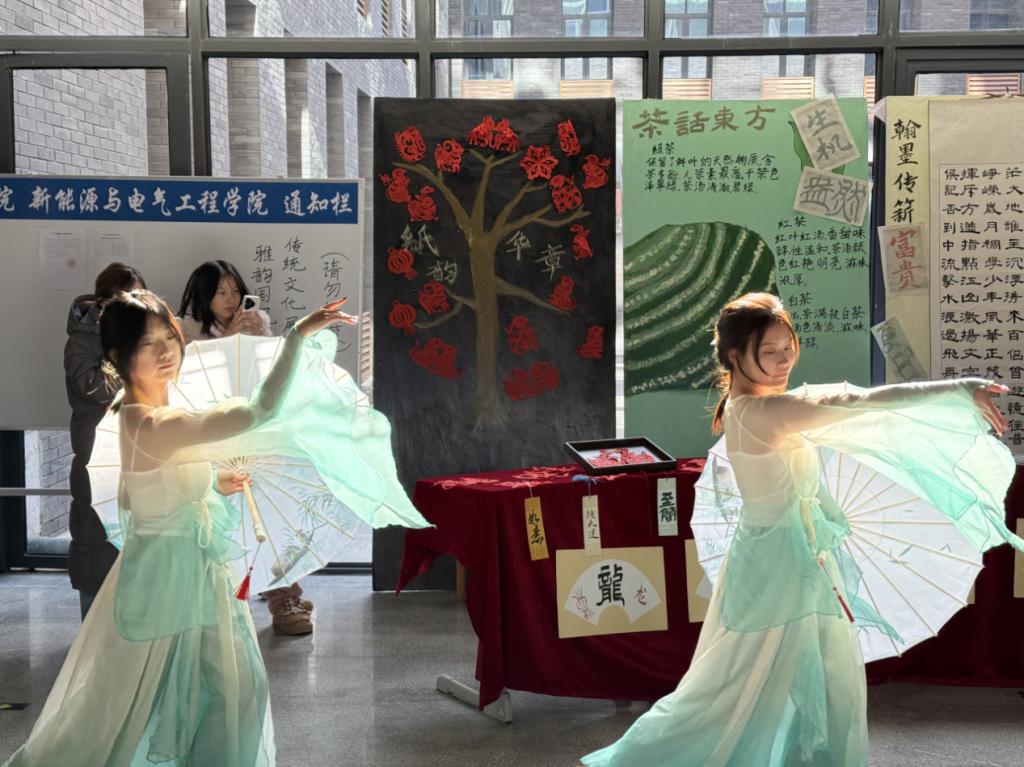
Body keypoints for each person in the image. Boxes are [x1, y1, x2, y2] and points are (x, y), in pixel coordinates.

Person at [581, 292, 1021, 767]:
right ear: (733, 356)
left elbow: (823, 439)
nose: (783, 360)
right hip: (780, 560)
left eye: (787, 348)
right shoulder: (761, 412)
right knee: (749, 679)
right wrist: (956, 389)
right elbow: (857, 402)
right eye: (769, 351)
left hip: (796, 551)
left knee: (801, 674)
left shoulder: (759, 406)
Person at [4, 290, 428, 767]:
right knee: (183, 697)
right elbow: (258, 413)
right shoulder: (152, 423)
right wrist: (295, 338)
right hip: (170, 580)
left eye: (169, 336)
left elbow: (149, 488)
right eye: (147, 344)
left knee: (199, 694)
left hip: (188, 570)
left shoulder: (139, 416)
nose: (165, 351)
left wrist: (210, 480)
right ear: (119, 358)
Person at [178, 259, 311, 634]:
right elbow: (193, 384)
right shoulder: (188, 334)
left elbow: (271, 380)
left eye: (235, 290)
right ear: (204, 296)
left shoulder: (258, 324)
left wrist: (257, 339)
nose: (231, 299)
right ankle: (226, 602)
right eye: (220, 292)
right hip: (213, 440)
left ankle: (284, 597)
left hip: (255, 435)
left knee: (270, 519)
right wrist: (227, 343)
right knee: (221, 524)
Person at [63, 262, 146, 619]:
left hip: (140, 449)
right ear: (103, 301)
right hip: (96, 449)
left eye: (140, 297)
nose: (136, 305)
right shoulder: (81, 340)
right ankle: (92, 628)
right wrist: (120, 353)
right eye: (128, 298)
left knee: (137, 538)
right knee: (95, 535)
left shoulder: (144, 336)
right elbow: (94, 388)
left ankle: (132, 631)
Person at [178, 259, 271, 342]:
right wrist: (228, 336)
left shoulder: (255, 321)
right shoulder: (190, 330)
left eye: (236, 291)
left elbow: (271, 354)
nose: (231, 299)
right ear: (205, 294)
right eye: (222, 293)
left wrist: (260, 338)